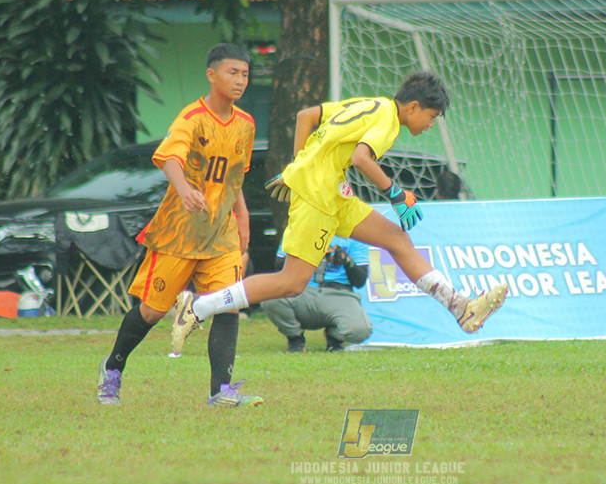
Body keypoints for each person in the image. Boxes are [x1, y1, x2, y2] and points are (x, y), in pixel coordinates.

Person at [173, 71, 508, 345]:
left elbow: (307, 116)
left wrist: (300, 166)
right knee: (291, 283)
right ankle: (200, 306)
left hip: (335, 193)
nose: (431, 124)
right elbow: (362, 158)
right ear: (414, 106)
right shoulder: (389, 121)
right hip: (319, 197)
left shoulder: (371, 103)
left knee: (397, 239)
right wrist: (395, 193)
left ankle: (460, 307)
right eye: (432, 116)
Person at [96, 43, 263, 408]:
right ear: (212, 74)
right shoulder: (192, 117)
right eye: (232, 73)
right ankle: (112, 369)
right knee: (152, 312)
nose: (240, 81)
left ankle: (221, 390)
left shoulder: (245, 125)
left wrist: (244, 217)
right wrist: (185, 190)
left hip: (221, 234)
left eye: (245, 74)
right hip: (178, 232)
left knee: (227, 304)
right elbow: (170, 157)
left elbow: (236, 179)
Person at [263, 236, 371, 352]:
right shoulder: (298, 228)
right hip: (302, 290)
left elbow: (360, 281)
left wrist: (346, 260)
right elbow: (279, 267)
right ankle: (295, 338)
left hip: (338, 292)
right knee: (271, 299)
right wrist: (310, 254)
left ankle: (334, 337)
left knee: (360, 331)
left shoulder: (354, 235)